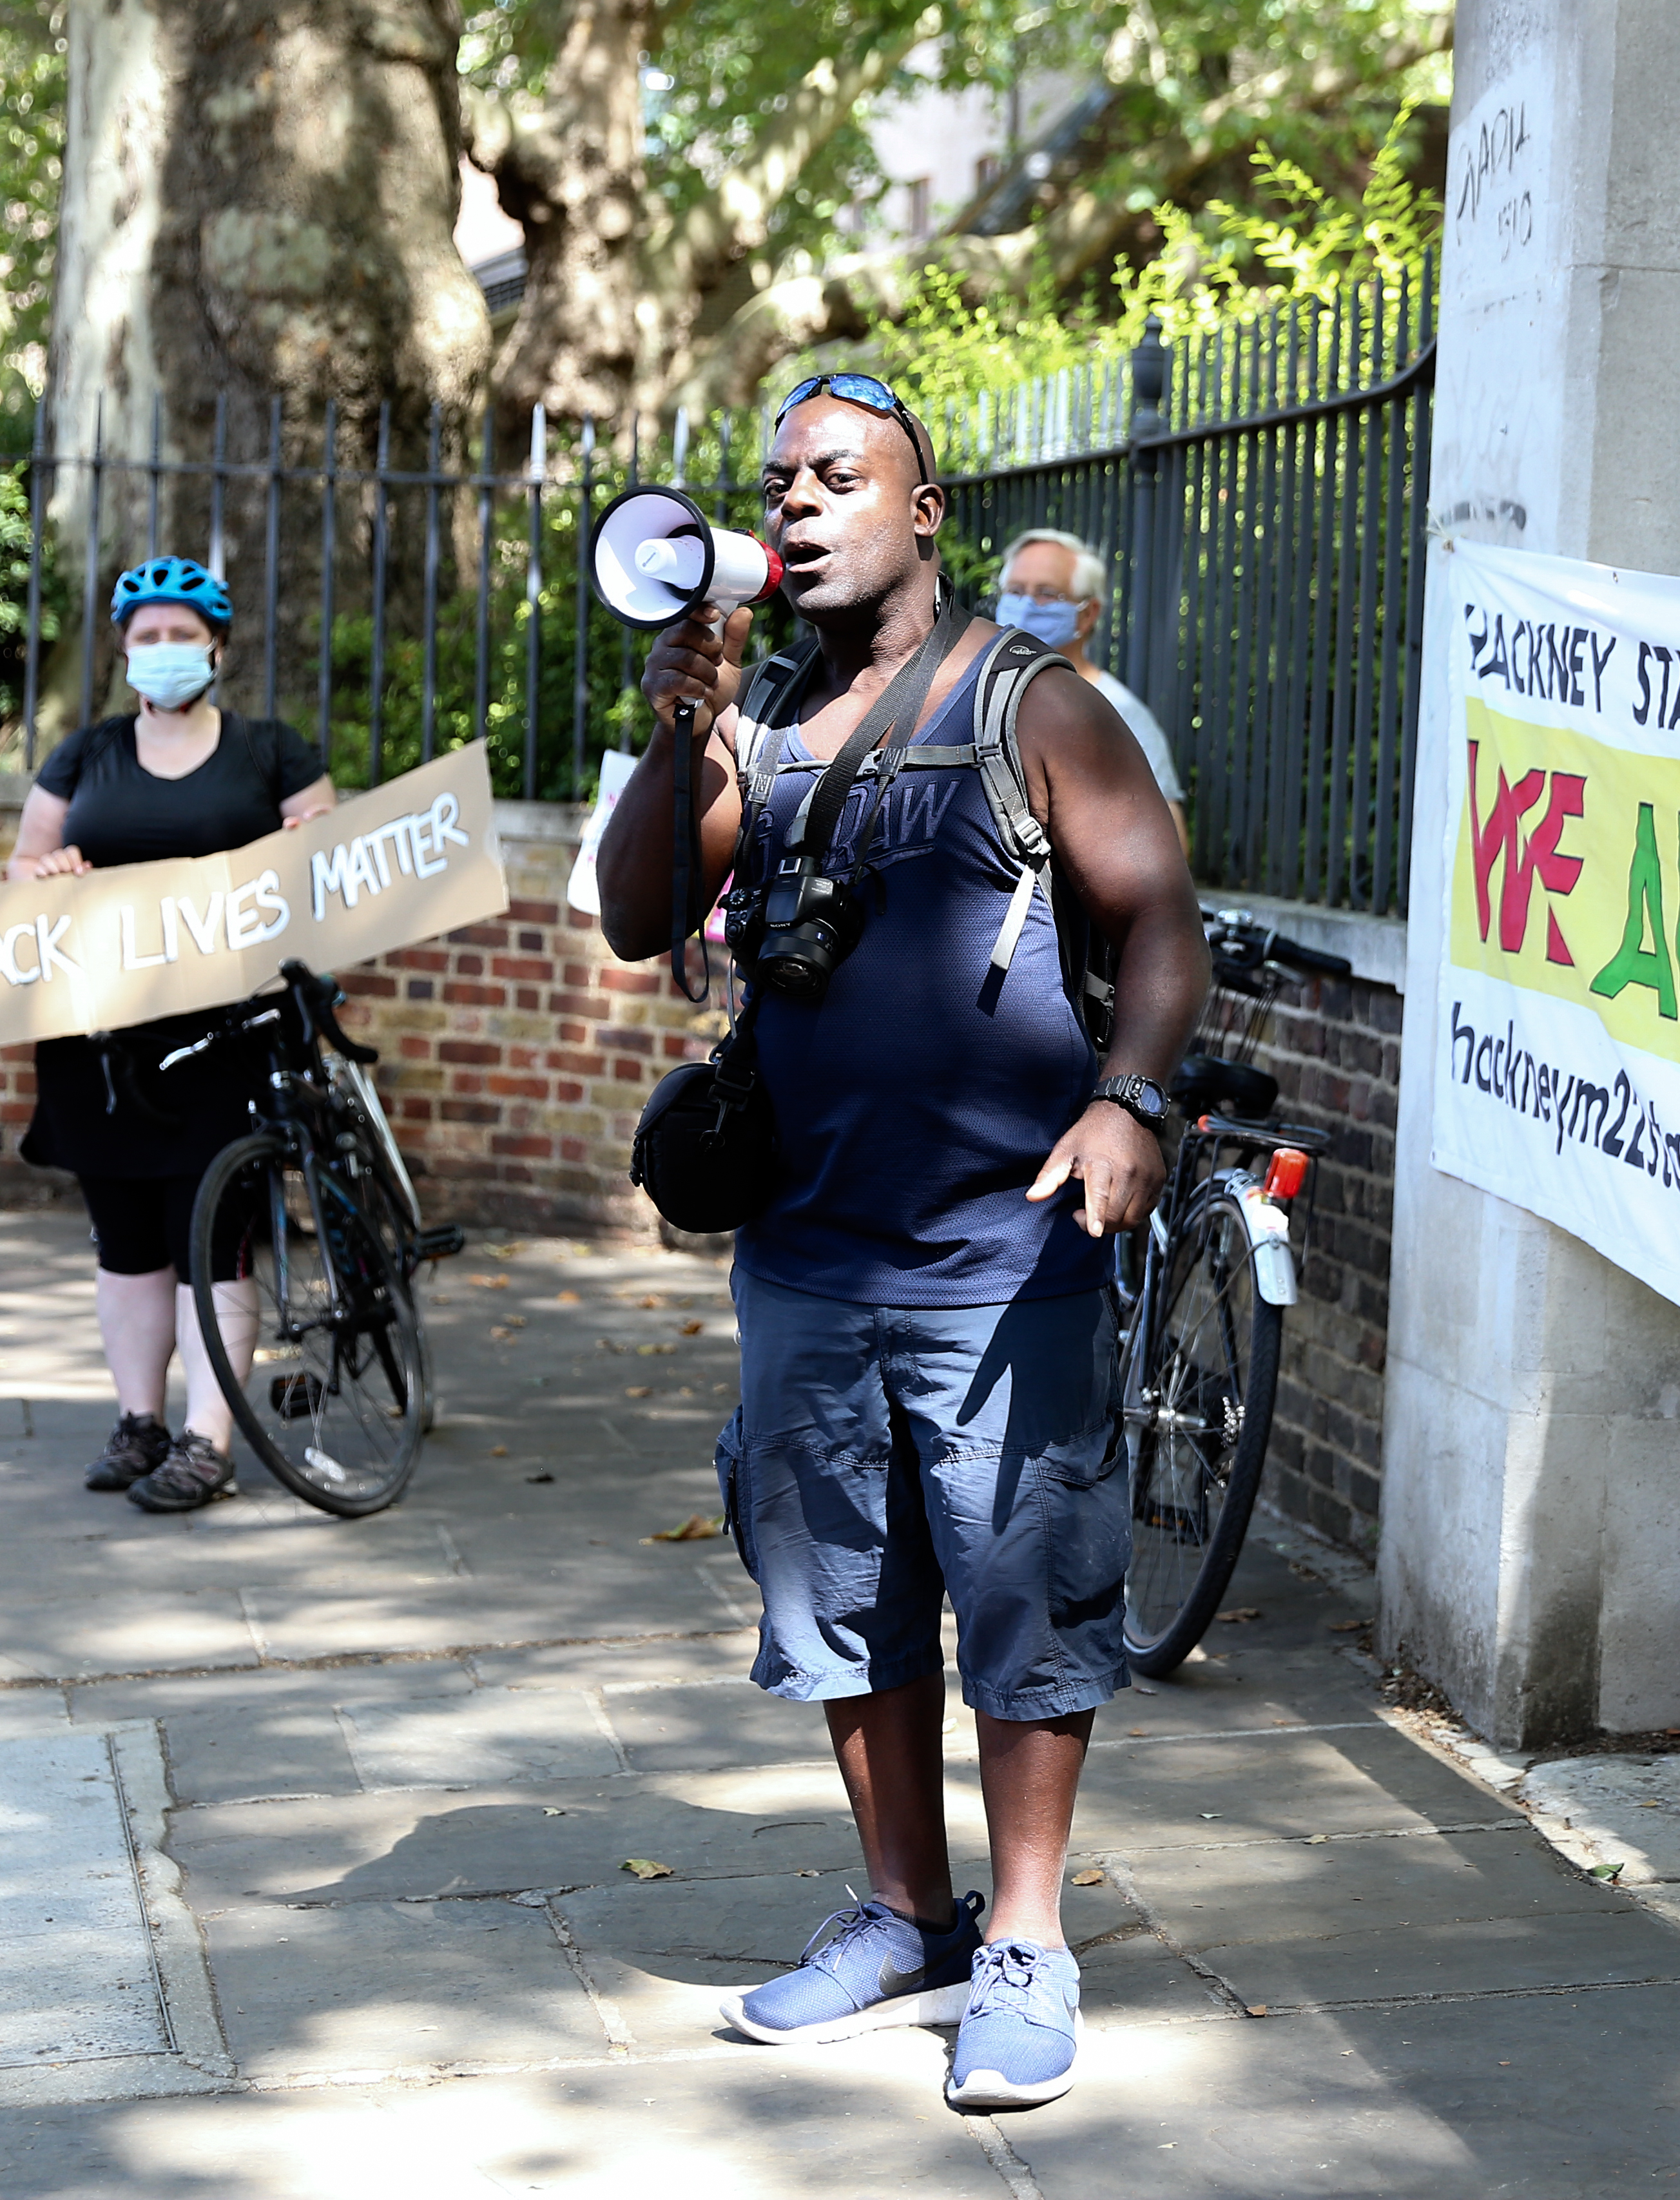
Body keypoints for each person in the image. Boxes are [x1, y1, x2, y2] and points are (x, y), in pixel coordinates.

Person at [594, 372, 1205, 2111]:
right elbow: (645, 911)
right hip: (809, 1255)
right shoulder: (760, 720)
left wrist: (1131, 1100)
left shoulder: (1039, 704)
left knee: (1026, 1586)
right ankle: (902, 1906)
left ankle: (1025, 1933)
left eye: (837, 472)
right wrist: (677, 728)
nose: (795, 498)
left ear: (921, 510)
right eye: (778, 473)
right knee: (839, 1594)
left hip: (1003, 1256)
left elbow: (1159, 908)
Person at [6, 558, 334, 1513]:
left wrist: (299, 837)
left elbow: (327, 853)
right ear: (122, 650)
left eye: (180, 635)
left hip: (228, 1036)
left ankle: (207, 1438)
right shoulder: (84, 755)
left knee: (215, 1237)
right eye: (144, 637)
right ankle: (139, 1420)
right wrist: (47, 869)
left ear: (216, 646)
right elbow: (25, 861)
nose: (162, 651)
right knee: (126, 1241)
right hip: (102, 1037)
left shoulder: (270, 750)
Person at [994, 528, 1188, 846]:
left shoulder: (1117, 710)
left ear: (1088, 614)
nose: (1026, 606)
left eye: (1046, 593)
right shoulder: (974, 692)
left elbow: (1172, 842)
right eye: (1015, 591)